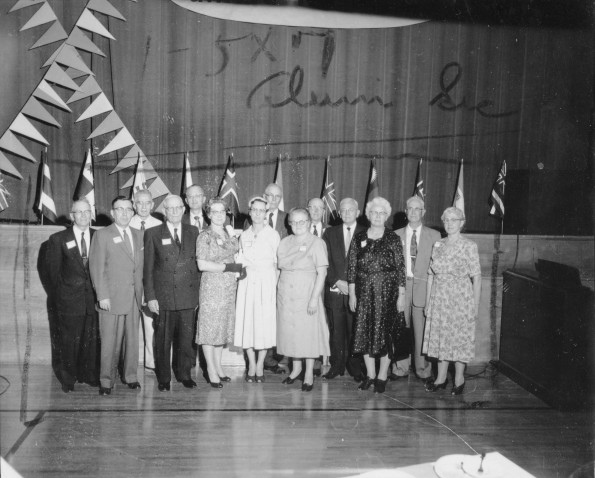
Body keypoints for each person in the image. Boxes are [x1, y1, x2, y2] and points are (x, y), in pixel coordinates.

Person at [347, 197, 406, 394]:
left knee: (384, 334)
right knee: (364, 332)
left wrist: (401, 295)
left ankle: (382, 375)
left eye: (382, 213)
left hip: (387, 292)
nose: (378, 216)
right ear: (368, 214)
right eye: (374, 212)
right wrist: (352, 293)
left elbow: (400, 269)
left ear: (386, 216)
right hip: (363, 292)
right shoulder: (359, 237)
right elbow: (353, 267)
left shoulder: (393, 238)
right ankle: (370, 375)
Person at [143, 195, 200, 392]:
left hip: (187, 295)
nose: (174, 212)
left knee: (186, 340)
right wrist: (150, 296)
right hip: (163, 296)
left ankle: (184, 374)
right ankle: (164, 377)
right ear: (164, 211)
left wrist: (197, 296)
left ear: (184, 209)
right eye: (170, 209)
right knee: (163, 340)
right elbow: (148, 269)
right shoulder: (152, 233)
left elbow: (197, 266)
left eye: (178, 208)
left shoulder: (194, 231)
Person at [423, 206, 481, 396]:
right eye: (446, 220)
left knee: (458, 339)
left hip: (460, 299)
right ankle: (441, 378)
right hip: (439, 298)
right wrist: (429, 302)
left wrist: (475, 306)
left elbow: (477, 278)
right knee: (441, 338)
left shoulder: (469, 246)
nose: (449, 224)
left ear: (461, 223)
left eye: (453, 220)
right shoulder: (438, 245)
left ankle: (459, 378)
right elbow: (431, 275)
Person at [89, 196, 144, 396]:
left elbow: (140, 269)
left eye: (128, 209)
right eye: (119, 209)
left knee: (132, 342)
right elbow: (96, 267)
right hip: (110, 299)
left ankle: (130, 376)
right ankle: (106, 381)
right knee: (109, 343)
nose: (124, 213)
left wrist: (143, 294)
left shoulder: (139, 234)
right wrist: (102, 295)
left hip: (134, 298)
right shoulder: (102, 235)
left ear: (133, 212)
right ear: (112, 213)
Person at [46, 199, 98, 393]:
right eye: (79, 212)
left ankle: (89, 375)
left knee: (91, 339)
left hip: (93, 299)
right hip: (68, 300)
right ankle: (68, 379)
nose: (84, 215)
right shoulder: (58, 239)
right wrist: (63, 294)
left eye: (87, 211)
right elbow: (52, 272)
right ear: (72, 215)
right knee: (69, 340)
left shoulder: (99, 236)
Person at [277, 208, 330, 392]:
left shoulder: (317, 243)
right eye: (294, 222)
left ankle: (308, 373)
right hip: (286, 295)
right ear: (289, 223)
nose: (298, 225)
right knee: (291, 334)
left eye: (302, 222)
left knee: (308, 335)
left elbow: (322, 273)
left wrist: (314, 299)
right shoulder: (284, 242)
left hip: (307, 294)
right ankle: (296, 369)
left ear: (309, 223)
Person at [392, 196, 441, 382]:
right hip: (401, 288)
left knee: (421, 330)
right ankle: (401, 367)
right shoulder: (395, 235)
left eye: (417, 209)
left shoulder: (435, 235)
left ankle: (423, 369)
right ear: (406, 211)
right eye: (410, 209)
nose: (413, 212)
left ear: (423, 212)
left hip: (424, 288)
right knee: (401, 329)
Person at [234, 196, 280, 383]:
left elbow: (277, 264)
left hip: (266, 283)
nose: (258, 214)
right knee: (248, 324)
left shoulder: (273, 235)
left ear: (266, 213)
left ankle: (260, 364)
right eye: (255, 210)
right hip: (246, 284)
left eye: (262, 210)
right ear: (250, 211)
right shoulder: (243, 235)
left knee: (263, 326)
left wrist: (273, 288)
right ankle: (251, 364)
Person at [196, 198, 241, 388]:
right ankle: (210, 371)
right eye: (214, 211)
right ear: (208, 214)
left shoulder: (228, 232)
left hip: (228, 287)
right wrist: (228, 267)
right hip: (212, 287)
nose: (219, 215)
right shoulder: (204, 236)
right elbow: (202, 264)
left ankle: (218, 366)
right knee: (209, 329)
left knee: (221, 328)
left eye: (222, 211)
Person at [322, 198, 366, 381]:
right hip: (334, 290)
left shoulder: (366, 232)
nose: (347, 213)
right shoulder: (329, 233)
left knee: (355, 331)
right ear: (339, 213)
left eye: (351, 210)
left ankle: (355, 367)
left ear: (357, 212)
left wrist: (353, 285)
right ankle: (336, 365)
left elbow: (368, 264)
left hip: (357, 293)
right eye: (343, 210)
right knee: (336, 331)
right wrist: (337, 281)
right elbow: (325, 261)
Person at [129, 189, 162, 371]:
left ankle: (152, 362)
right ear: (134, 204)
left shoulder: (159, 225)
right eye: (139, 202)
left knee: (151, 326)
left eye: (147, 202)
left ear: (152, 204)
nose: (143, 206)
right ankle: (127, 364)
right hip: (130, 283)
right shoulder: (126, 222)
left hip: (150, 284)